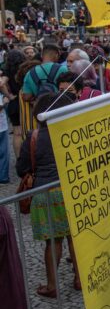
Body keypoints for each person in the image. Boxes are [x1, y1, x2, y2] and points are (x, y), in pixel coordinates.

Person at [17, 93, 79, 298]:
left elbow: (21, 168)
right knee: (75, 237)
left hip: (45, 194)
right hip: (72, 189)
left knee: (53, 241)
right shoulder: (73, 132)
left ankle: (52, 285)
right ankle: (80, 278)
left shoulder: (33, 137)